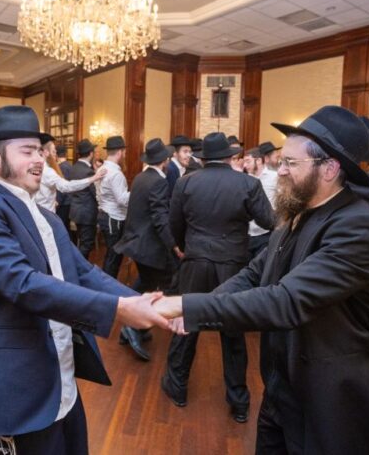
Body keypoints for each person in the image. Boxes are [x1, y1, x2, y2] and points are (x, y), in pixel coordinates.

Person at [154, 106, 369, 454]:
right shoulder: (297, 213)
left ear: (329, 168)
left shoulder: (359, 225)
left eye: (291, 163)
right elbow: (255, 273)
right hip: (281, 385)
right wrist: (193, 311)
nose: (281, 171)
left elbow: (286, 300)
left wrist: (186, 305)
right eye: (282, 161)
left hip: (329, 399)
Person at [0, 105, 168, 455]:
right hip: (18, 378)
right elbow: (22, 283)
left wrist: (145, 303)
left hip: (60, 371)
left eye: (40, 151)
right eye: (27, 151)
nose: (39, 159)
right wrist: (119, 308)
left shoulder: (47, 217)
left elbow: (85, 272)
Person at [162, 132, 274, 423]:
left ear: (202, 158)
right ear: (229, 156)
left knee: (186, 323)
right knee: (233, 332)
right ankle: (239, 401)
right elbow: (269, 221)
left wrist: (188, 248)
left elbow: (174, 224)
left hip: (195, 261)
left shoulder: (186, 182)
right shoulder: (248, 183)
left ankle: (177, 387)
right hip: (233, 265)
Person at [115, 138, 180, 361]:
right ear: (165, 160)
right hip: (147, 245)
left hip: (136, 242)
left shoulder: (141, 177)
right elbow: (160, 218)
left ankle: (133, 325)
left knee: (147, 282)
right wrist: (174, 245)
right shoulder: (158, 181)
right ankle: (133, 325)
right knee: (160, 283)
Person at [36, 139, 105, 213]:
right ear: (46, 152)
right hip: (46, 212)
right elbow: (66, 186)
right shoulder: (48, 171)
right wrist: (92, 178)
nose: (56, 153)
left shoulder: (37, 167)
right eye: (53, 151)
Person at [97, 135, 130, 279]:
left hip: (105, 214)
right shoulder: (116, 174)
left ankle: (106, 284)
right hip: (114, 218)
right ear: (120, 152)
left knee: (111, 254)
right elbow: (122, 200)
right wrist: (137, 192)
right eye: (124, 152)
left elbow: (98, 194)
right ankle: (108, 286)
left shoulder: (102, 169)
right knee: (114, 256)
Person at [67, 139, 99, 259]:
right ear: (90, 153)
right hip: (86, 213)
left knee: (81, 241)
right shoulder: (88, 171)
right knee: (87, 243)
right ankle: (79, 266)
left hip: (76, 211)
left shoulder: (73, 167)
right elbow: (95, 193)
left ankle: (78, 265)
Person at [244, 146, 277, 259]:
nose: (245, 165)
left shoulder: (275, 177)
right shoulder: (244, 180)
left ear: (258, 160)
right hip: (246, 234)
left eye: (248, 161)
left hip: (266, 233)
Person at [55, 144, 74, 233]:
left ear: (56, 154)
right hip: (68, 200)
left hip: (64, 202)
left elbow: (62, 188)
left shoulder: (61, 167)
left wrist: (57, 202)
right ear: (66, 154)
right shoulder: (69, 165)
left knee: (62, 227)